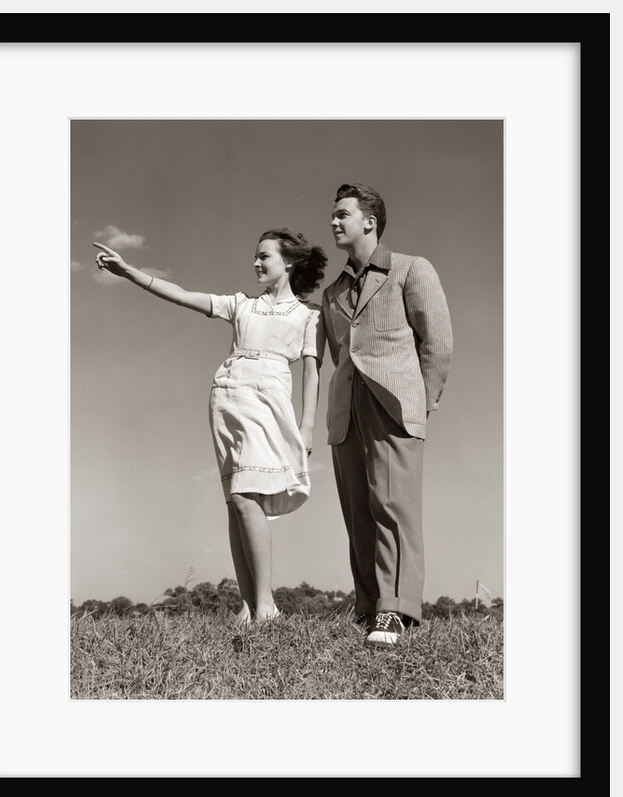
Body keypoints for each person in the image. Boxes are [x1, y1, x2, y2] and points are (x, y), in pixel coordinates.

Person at [93, 229, 327, 623]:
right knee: (236, 500)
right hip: (227, 396)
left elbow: (312, 373)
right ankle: (249, 604)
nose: (255, 262)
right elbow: (183, 295)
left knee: (248, 495)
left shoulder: (309, 316)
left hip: (269, 397)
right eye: (255, 256)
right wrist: (130, 272)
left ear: (288, 262)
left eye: (264, 256)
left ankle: (266, 604)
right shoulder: (241, 305)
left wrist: (306, 427)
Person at [321, 183, 453, 646]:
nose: (334, 222)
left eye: (343, 214)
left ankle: (397, 611)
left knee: (393, 508)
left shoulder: (411, 270)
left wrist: (421, 403)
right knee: (358, 511)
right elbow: (339, 353)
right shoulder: (332, 291)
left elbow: (436, 342)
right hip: (347, 410)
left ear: (369, 221)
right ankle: (369, 607)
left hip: (395, 405)